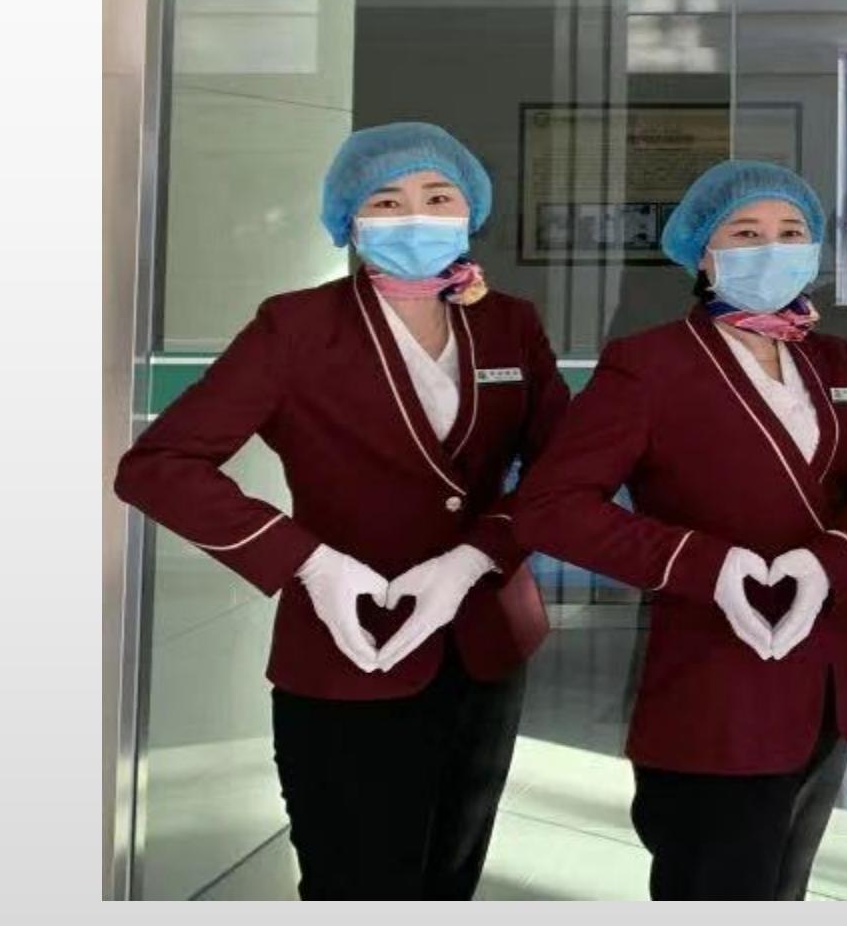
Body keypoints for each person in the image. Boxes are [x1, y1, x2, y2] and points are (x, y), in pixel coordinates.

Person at [114, 121, 568, 900]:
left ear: (470, 209)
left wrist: (478, 554)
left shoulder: (509, 323)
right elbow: (158, 467)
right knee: (354, 883)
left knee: (449, 880)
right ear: (350, 220)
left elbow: (567, 469)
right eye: (387, 201)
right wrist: (308, 562)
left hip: (486, 648)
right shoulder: (297, 327)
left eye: (438, 197)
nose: (415, 214)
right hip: (347, 651)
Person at [512, 160, 847, 901]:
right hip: (714, 683)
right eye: (746, 233)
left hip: (829, 674)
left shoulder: (834, 359)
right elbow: (550, 505)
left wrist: (834, 559)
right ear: (703, 254)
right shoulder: (650, 365)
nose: (772, 247)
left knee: (784, 884)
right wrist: (705, 565)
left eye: (791, 231)